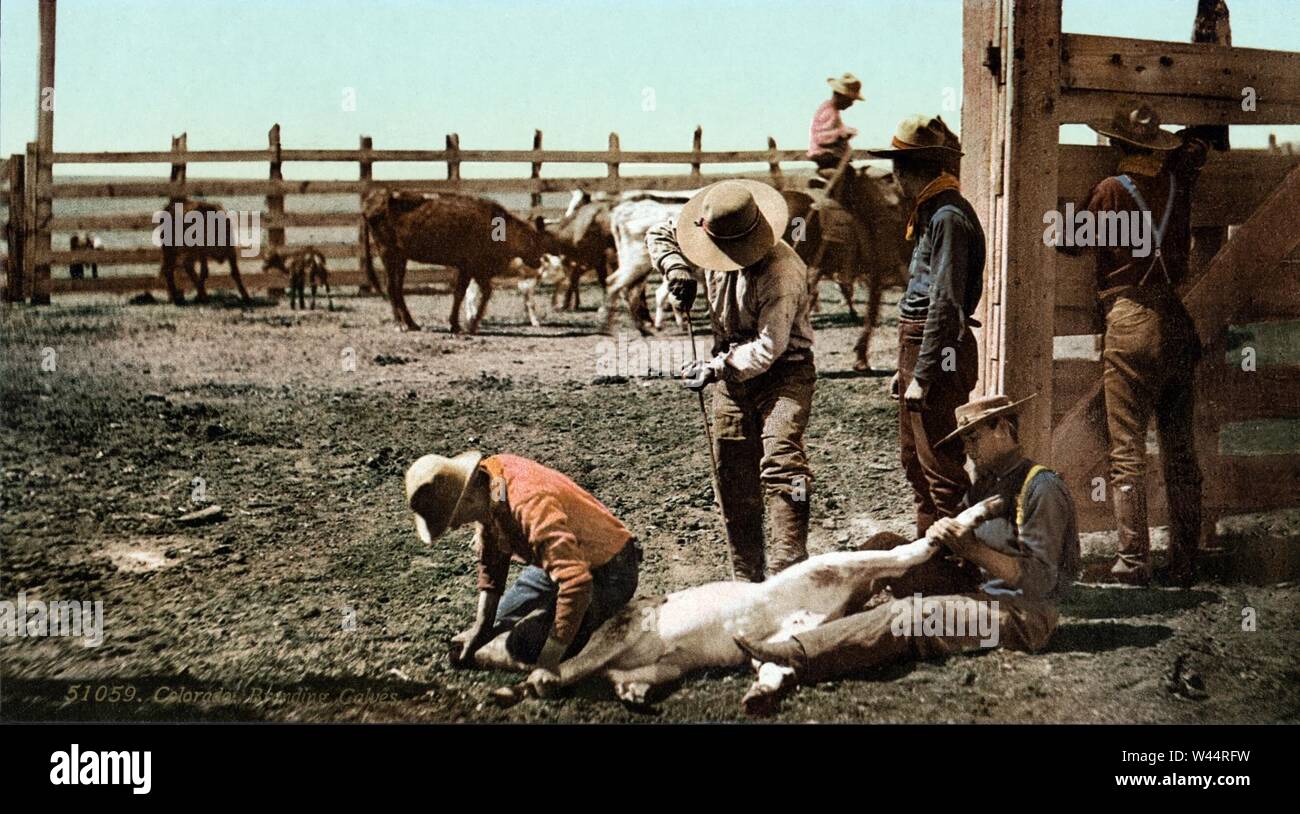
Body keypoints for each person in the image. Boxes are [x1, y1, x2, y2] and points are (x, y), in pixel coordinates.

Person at [734, 394, 1080, 704]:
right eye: (966, 441)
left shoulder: (1041, 488)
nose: (969, 450)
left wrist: (971, 549)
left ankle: (795, 654)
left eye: (974, 438)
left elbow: (1041, 583)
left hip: (1024, 620)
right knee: (883, 549)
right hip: (983, 590)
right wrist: (944, 538)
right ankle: (807, 622)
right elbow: (962, 547)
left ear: (1002, 429)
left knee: (911, 618)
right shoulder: (990, 481)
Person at [647, 180, 815, 582]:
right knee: (732, 473)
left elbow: (768, 347)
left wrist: (715, 368)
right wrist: (675, 266)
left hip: (784, 372)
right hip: (730, 372)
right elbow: (659, 232)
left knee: (781, 461)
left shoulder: (782, 270)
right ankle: (747, 576)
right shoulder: (706, 232)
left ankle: (788, 570)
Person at [1071, 103, 1207, 587]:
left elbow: (1071, 244)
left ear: (1117, 146)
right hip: (1176, 321)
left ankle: (1133, 561)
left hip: (1130, 320)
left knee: (1127, 449)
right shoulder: (1176, 185)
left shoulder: (1110, 190)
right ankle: (1187, 559)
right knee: (1181, 448)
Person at [404, 450, 641, 687]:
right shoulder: (492, 481)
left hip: (610, 568)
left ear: (467, 497)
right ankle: (555, 623)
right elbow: (492, 542)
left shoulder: (529, 504)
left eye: (452, 518)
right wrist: (482, 628)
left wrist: (547, 662)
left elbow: (576, 582)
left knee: (526, 646)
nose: (455, 526)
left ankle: (609, 623)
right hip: (556, 560)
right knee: (495, 628)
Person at [869, 114, 984, 537]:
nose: (896, 179)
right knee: (914, 461)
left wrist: (923, 374)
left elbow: (945, 302)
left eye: (898, 168)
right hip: (917, 346)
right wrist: (905, 370)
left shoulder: (948, 217)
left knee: (941, 469)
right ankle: (931, 558)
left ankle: (963, 568)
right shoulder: (934, 212)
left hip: (935, 347)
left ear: (907, 171)